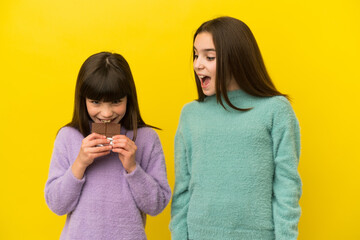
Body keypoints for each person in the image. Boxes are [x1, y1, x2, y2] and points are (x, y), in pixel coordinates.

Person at [170, 16, 302, 240]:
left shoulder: (276, 110)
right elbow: (182, 189)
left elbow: (287, 187)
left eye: (209, 56)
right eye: (195, 55)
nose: (197, 64)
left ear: (236, 58)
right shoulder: (190, 114)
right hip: (198, 233)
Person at [45, 52, 171, 240]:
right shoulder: (68, 137)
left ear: (129, 98)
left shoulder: (146, 139)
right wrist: (80, 163)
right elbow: (57, 205)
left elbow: (156, 205)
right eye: (95, 102)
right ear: (83, 99)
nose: (106, 113)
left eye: (116, 101)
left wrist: (133, 168)